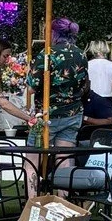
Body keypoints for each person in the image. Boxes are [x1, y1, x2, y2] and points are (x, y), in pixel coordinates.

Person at [26, 17, 90, 149]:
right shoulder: (81, 54)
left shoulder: (47, 54)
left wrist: (28, 73)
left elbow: (31, 89)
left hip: (48, 113)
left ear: (53, 33)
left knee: (34, 155)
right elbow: (84, 85)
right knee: (64, 156)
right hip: (73, 112)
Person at [83, 39, 112, 133]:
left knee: (86, 130)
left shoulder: (87, 65)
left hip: (89, 98)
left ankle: (86, 119)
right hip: (105, 100)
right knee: (106, 129)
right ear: (106, 49)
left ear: (92, 49)